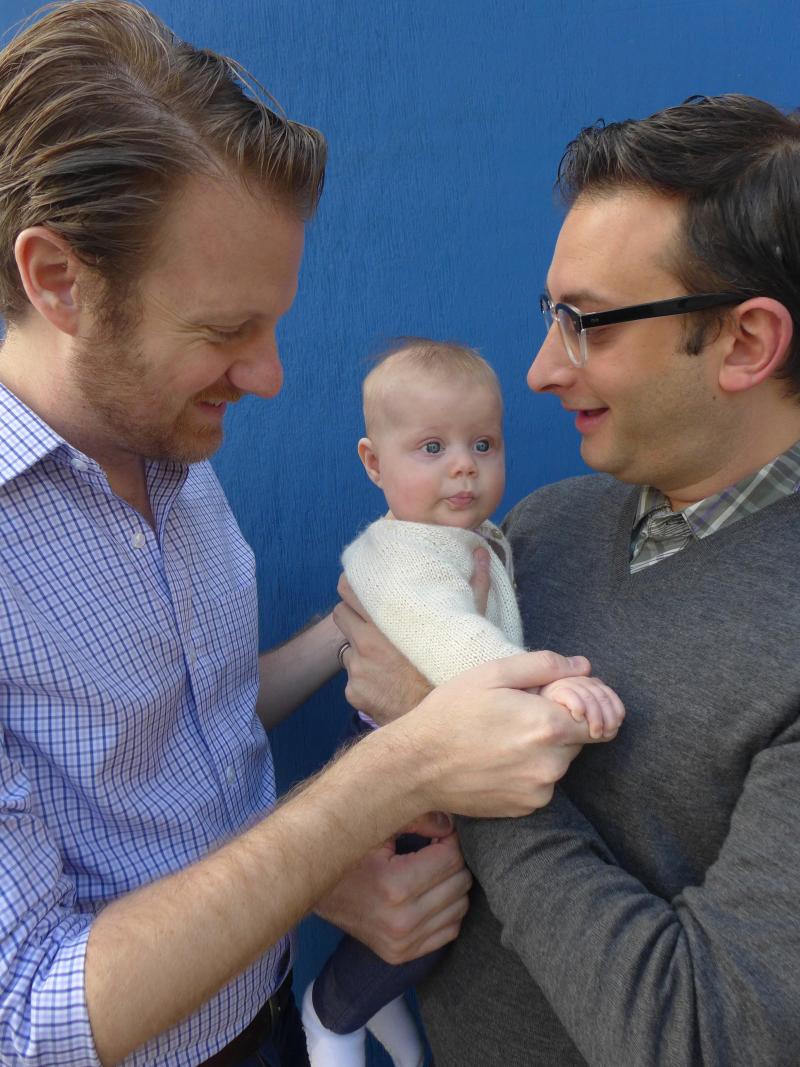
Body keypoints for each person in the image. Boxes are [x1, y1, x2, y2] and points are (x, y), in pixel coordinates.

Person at [0, 3, 606, 1065]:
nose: (270, 374)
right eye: (225, 331)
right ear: (59, 280)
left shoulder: (174, 459)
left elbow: (199, 720)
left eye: (272, 321)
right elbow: (30, 1014)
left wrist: (367, 615)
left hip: (276, 1010)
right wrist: (400, 767)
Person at [335, 94, 800, 1066]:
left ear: (745, 342)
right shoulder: (542, 525)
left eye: (586, 322)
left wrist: (460, 745)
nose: (542, 368)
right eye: (551, 315)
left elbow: (702, 1035)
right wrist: (347, 872)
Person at [301, 340, 624, 1066]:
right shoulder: (404, 552)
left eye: (483, 443)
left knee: (429, 921)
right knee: (423, 912)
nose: (463, 464)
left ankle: (371, 1014)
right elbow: (451, 640)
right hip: (400, 770)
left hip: (428, 752)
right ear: (373, 463)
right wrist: (549, 681)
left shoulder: (466, 538)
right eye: (432, 446)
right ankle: (331, 1015)